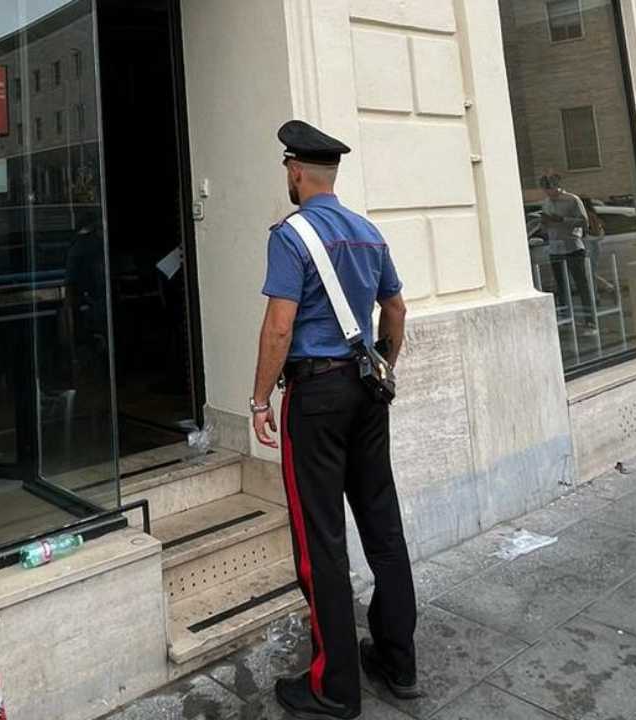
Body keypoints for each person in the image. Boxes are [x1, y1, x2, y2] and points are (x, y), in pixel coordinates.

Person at [251, 120, 418, 719]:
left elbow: (279, 325)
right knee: (383, 526)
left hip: (316, 395)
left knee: (320, 539)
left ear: (295, 172)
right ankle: (399, 661)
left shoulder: (291, 234)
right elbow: (395, 310)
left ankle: (333, 685)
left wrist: (259, 399)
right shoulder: (369, 233)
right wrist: (385, 366)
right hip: (368, 393)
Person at [539, 174, 596, 333]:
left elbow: (584, 221)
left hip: (573, 246)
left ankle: (590, 322)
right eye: (546, 190)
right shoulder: (546, 203)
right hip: (555, 247)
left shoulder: (572, 200)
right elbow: (546, 225)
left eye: (551, 188)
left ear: (558, 186)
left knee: (581, 284)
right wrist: (545, 223)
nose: (549, 193)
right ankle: (565, 317)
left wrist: (562, 220)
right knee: (561, 286)